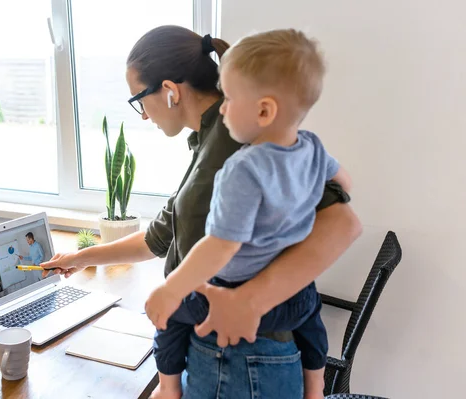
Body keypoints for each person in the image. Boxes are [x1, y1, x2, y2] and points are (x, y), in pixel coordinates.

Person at [42, 26, 361, 399]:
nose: (143, 116)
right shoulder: (209, 142)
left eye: (139, 101)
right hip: (234, 353)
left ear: (170, 91)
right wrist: (81, 258)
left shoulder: (240, 147)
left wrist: (246, 300)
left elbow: (343, 222)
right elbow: (160, 237)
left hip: (240, 356)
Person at [144, 29, 350, 399]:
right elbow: (345, 184)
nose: (222, 108)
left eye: (230, 99)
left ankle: (166, 390)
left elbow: (220, 246)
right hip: (292, 301)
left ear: (264, 110)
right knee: (312, 313)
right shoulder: (312, 147)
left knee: (172, 314)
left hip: (233, 303)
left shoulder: (242, 168)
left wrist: (169, 290)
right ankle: (316, 386)